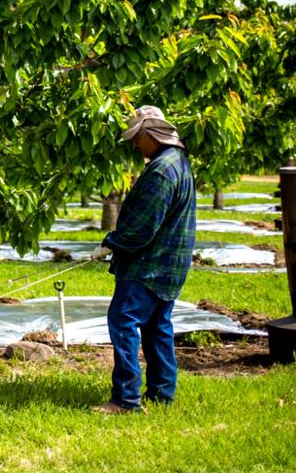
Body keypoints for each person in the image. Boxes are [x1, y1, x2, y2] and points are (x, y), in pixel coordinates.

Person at [89, 105, 196, 413]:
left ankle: (125, 399)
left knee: (123, 320)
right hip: (170, 265)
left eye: (138, 137)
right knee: (157, 325)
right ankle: (162, 393)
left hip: (149, 266)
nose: (135, 145)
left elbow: (142, 227)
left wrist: (112, 242)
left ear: (151, 135)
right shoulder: (178, 163)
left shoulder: (162, 171)